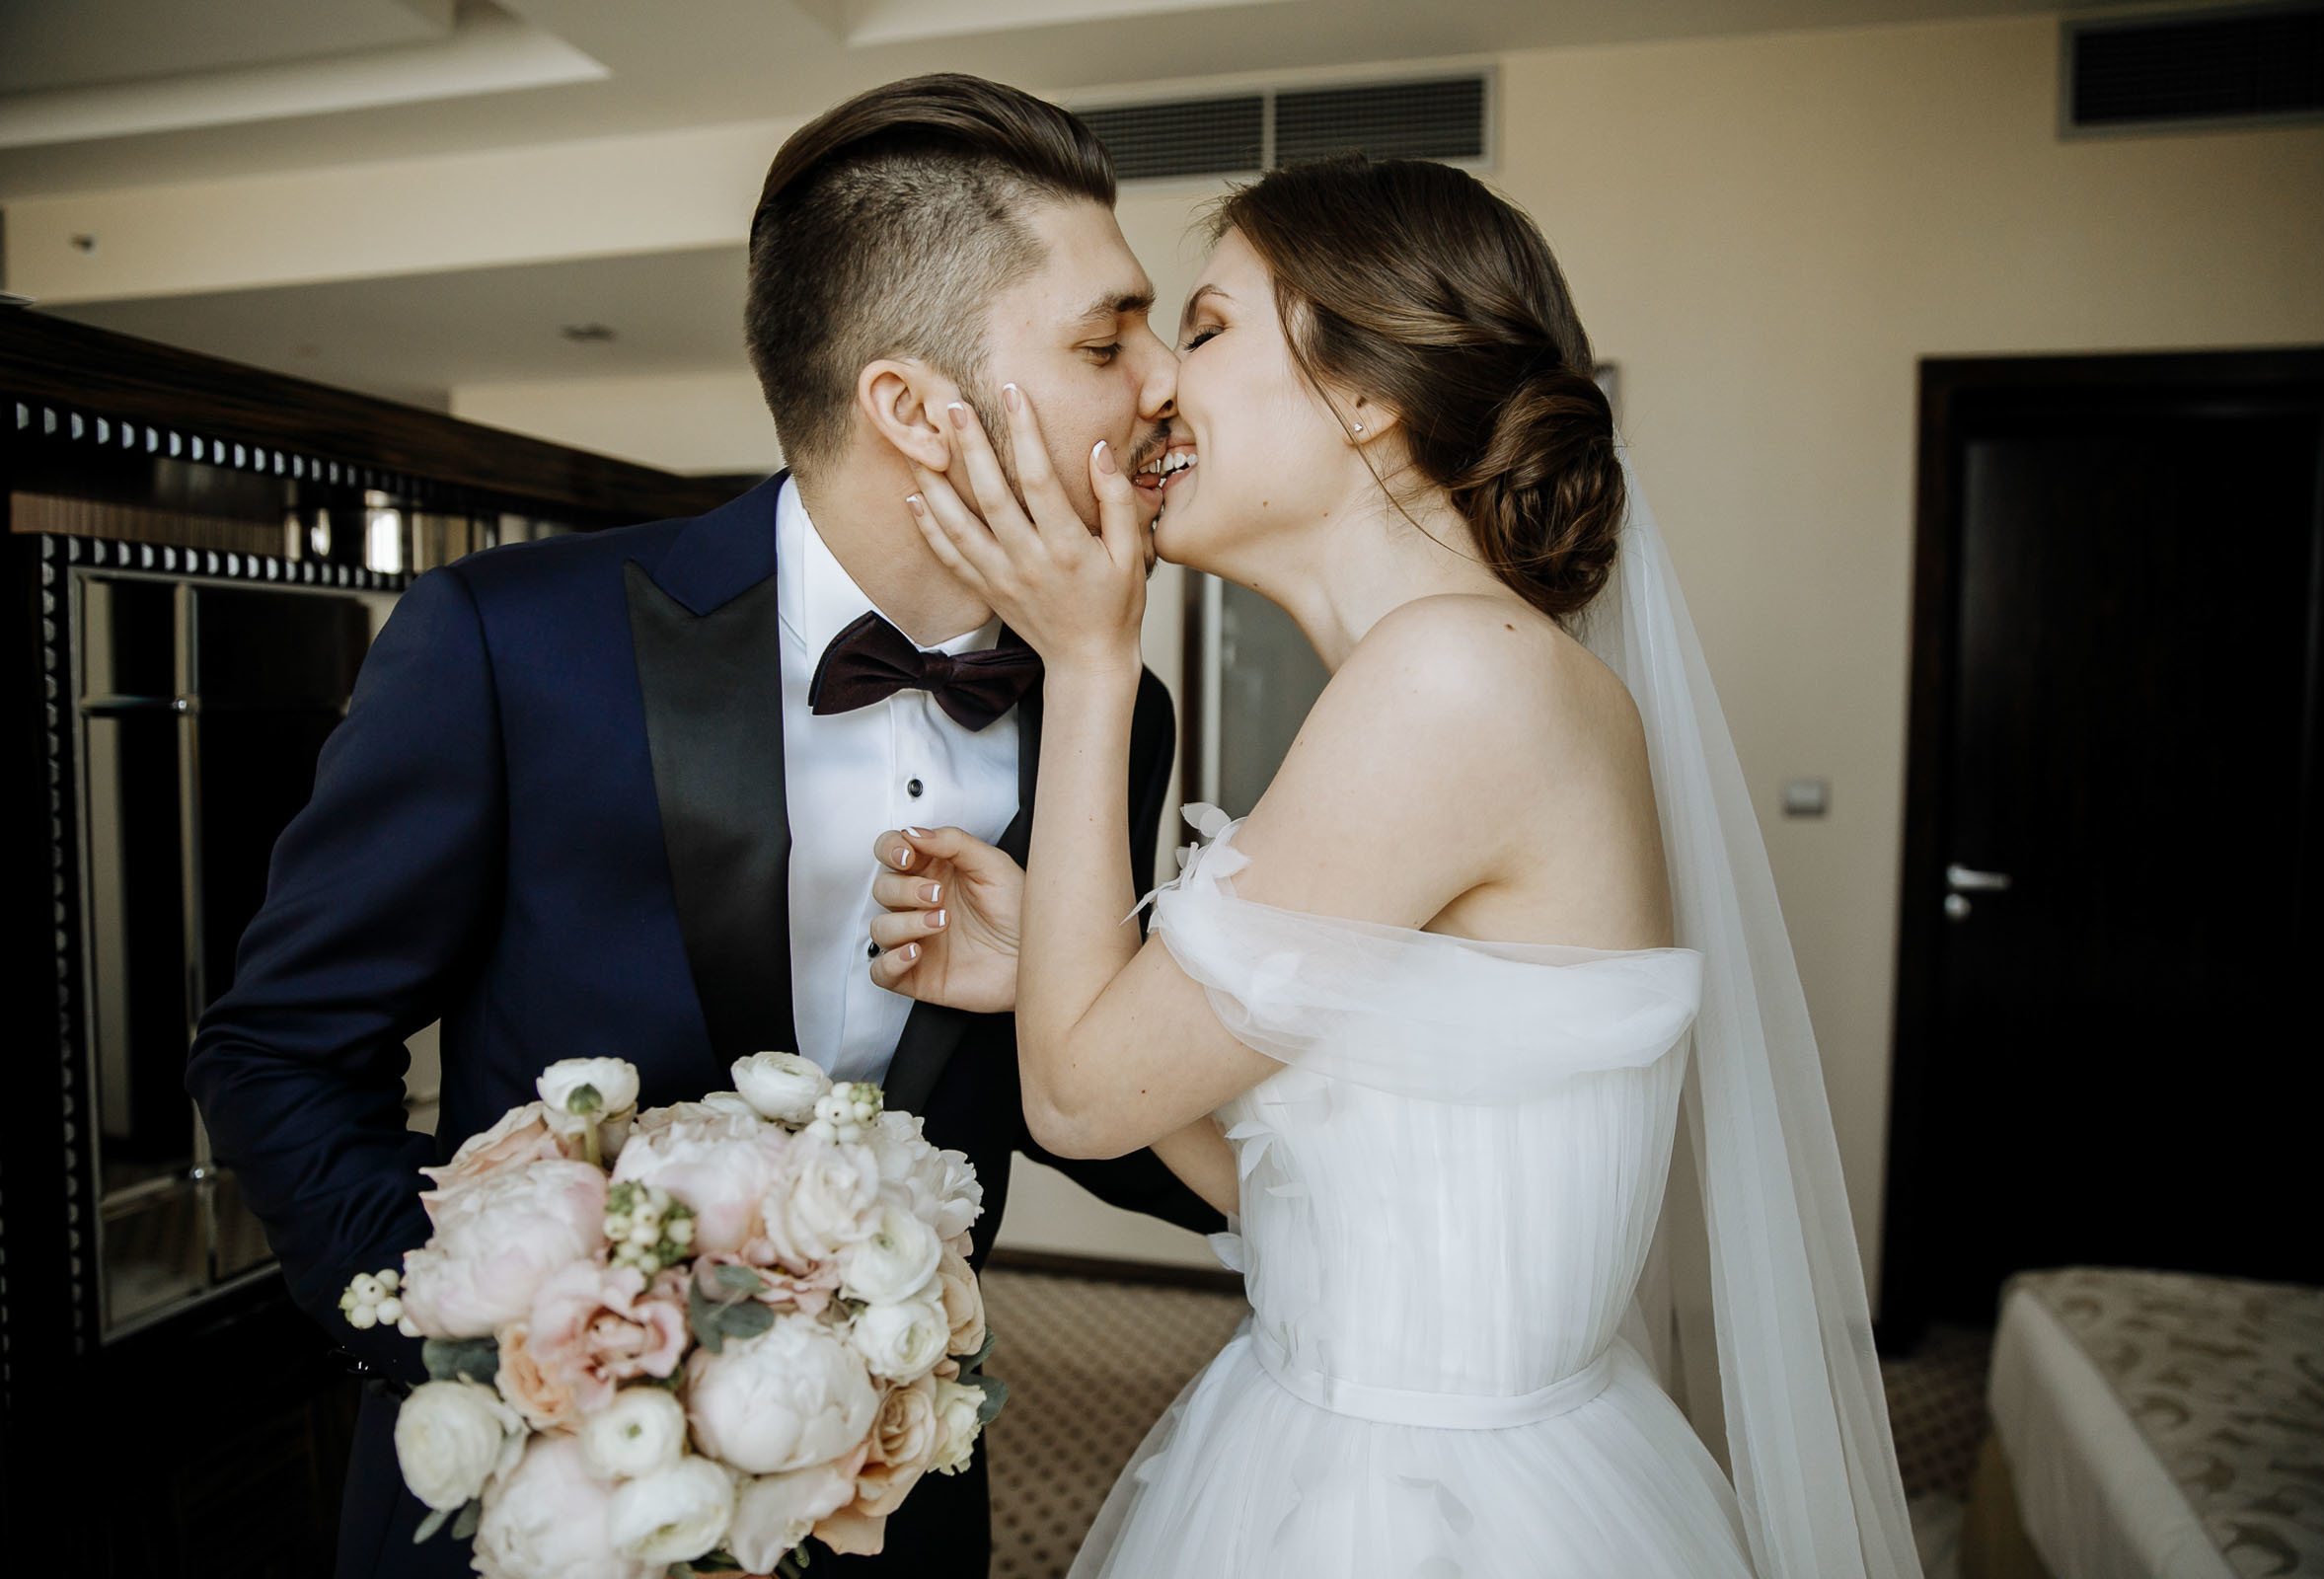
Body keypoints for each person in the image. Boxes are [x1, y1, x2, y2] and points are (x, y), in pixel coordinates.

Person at [185, 74, 1220, 1579]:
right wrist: (508, 1352)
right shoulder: (508, 644)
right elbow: (273, 1055)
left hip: (892, 1506)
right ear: (914, 409)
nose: (1163, 379)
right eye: (1105, 336)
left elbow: (1087, 1113)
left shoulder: (1107, 711)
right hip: (545, 1514)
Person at [877, 155, 1922, 1576]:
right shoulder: (1461, 677)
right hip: (1354, 1421)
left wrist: (1087, 653)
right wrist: (1059, 983)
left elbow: (1072, 1103)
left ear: (1369, 395)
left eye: (1208, 327)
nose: (1159, 391)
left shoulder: (1453, 683)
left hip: (1425, 1506)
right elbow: (1306, 1203)